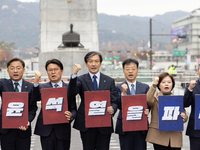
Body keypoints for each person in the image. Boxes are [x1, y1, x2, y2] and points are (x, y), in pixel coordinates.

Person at [68, 51, 118, 150]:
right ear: (86, 64)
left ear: (100, 63)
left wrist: (113, 108)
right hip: (86, 123)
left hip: (104, 123)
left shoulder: (109, 80)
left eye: (96, 61)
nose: (93, 64)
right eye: (90, 61)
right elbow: (72, 92)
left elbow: (115, 100)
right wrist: (74, 74)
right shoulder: (80, 79)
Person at [33, 59, 76, 150]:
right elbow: (35, 97)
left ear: (61, 71)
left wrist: (71, 115)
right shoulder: (42, 87)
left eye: (56, 69)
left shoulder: (69, 88)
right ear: (47, 72)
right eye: (50, 70)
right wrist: (36, 82)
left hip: (63, 130)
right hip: (46, 130)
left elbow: (73, 109)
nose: (53, 72)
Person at [0, 58, 37, 150]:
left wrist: (28, 120)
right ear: (8, 71)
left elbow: (33, 108)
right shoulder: (3, 83)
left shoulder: (30, 86)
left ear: (23, 70)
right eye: (12, 68)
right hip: (6, 131)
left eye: (18, 68)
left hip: (23, 131)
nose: (15, 71)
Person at [146, 72, 187, 150]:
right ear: (159, 85)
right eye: (163, 82)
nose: (166, 84)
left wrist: (184, 117)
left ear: (172, 85)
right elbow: (148, 99)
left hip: (174, 137)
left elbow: (184, 116)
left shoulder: (177, 99)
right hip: (159, 136)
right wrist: (154, 84)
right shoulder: (154, 97)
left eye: (169, 82)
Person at [115, 58, 150, 150]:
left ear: (137, 71)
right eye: (127, 69)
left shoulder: (145, 87)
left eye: (133, 69)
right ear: (123, 71)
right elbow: (118, 105)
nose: (130, 71)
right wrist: (123, 93)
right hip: (124, 126)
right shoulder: (118, 87)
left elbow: (149, 103)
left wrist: (147, 109)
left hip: (140, 126)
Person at [184, 64, 200, 150]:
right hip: (195, 129)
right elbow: (185, 104)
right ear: (198, 71)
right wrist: (190, 89)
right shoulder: (192, 86)